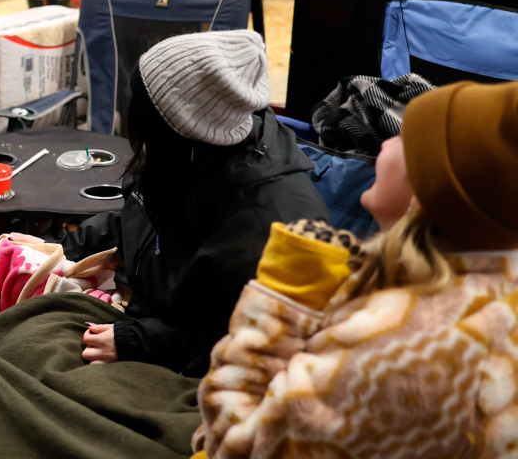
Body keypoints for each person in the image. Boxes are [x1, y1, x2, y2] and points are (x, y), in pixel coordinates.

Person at [192, 80, 518, 459]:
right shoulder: (492, 294)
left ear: (428, 191)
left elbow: (237, 447)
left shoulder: (396, 343)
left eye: (407, 139)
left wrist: (280, 302)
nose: (385, 143)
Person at [16, 30, 328, 376]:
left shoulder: (270, 227)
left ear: (176, 133)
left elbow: (276, 350)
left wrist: (143, 342)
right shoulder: (194, 153)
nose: (138, 141)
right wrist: (56, 249)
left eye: (145, 125)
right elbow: (138, 221)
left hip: (187, 362)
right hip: (137, 316)